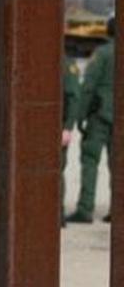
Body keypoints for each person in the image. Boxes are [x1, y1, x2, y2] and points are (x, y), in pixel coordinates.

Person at [71, 16, 115, 224]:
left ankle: (85, 208)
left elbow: (88, 87)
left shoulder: (103, 54)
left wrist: (79, 116)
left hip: (101, 115)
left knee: (90, 161)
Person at [61, 53, 82, 226]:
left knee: (55, 171)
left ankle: (56, 213)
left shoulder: (66, 64)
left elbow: (74, 97)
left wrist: (68, 127)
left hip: (57, 128)